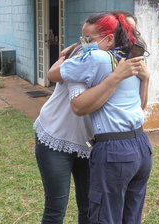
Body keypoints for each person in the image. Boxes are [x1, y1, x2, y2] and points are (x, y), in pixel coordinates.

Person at [34, 12, 146, 224]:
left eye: (131, 33)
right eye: (125, 31)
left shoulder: (123, 63)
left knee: (89, 206)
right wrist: (74, 50)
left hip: (91, 144)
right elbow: (57, 80)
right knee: (56, 208)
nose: (129, 37)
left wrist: (144, 79)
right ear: (112, 34)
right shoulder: (86, 56)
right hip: (56, 135)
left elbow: (137, 107)